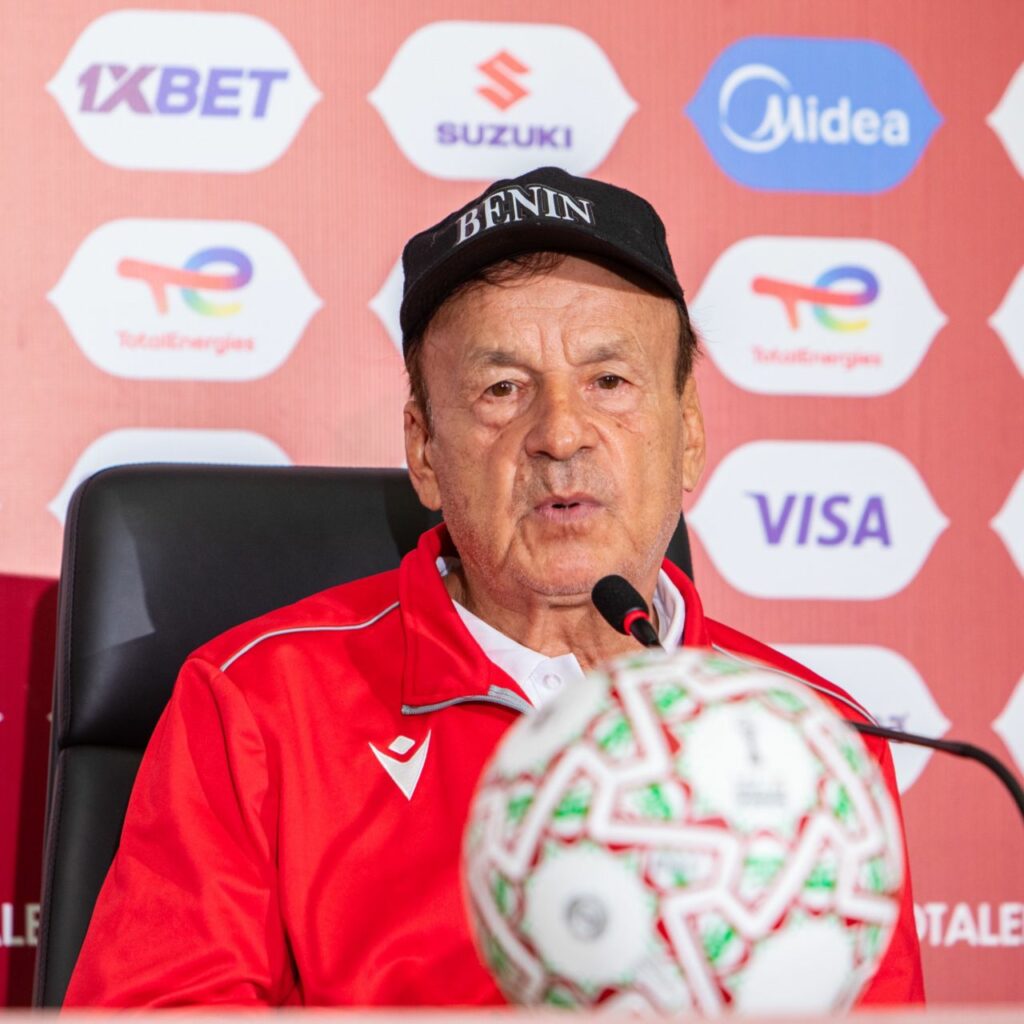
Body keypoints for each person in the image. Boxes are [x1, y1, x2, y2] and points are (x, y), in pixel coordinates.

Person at [64, 166, 924, 1008]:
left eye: (609, 382)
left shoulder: (813, 741)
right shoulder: (256, 705)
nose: (560, 433)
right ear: (424, 450)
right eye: (503, 389)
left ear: (689, 434)